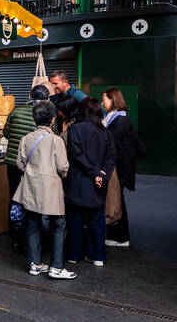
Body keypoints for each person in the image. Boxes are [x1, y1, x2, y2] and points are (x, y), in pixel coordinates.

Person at [14, 101, 75, 279]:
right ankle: (56, 267)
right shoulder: (56, 140)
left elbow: (20, 164)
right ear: (53, 120)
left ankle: (36, 264)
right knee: (59, 225)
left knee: (32, 224)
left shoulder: (26, 139)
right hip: (51, 188)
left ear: (34, 120)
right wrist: (58, 175)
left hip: (31, 187)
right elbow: (63, 166)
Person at [64, 97, 116, 267]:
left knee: (75, 220)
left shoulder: (75, 129)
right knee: (97, 220)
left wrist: (94, 173)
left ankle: (74, 254)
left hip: (78, 181)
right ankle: (98, 256)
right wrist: (103, 175)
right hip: (98, 183)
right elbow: (111, 157)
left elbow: (77, 155)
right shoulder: (106, 132)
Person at [3, 85, 50, 252]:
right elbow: (53, 138)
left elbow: (6, 134)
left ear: (30, 94)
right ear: (47, 98)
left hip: (14, 163)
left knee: (15, 198)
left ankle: (16, 239)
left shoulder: (16, 111)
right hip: (37, 164)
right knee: (35, 200)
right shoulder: (47, 114)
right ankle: (35, 241)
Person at [101, 88, 142, 247]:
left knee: (117, 201)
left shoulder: (120, 119)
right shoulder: (114, 117)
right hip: (119, 165)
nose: (102, 102)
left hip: (119, 167)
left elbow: (112, 141)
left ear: (113, 100)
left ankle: (121, 237)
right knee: (116, 200)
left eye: (104, 99)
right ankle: (118, 235)